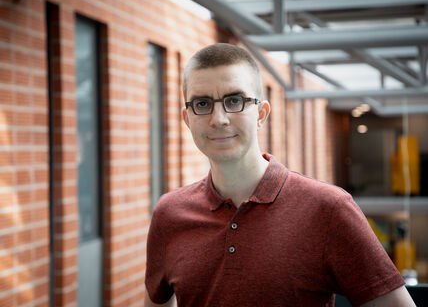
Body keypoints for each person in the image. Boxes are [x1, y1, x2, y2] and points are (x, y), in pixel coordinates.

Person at [144, 43, 415, 307]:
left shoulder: (328, 209)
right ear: (187, 118)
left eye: (234, 100)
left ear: (261, 114)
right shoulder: (169, 214)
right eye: (202, 103)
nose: (219, 119)